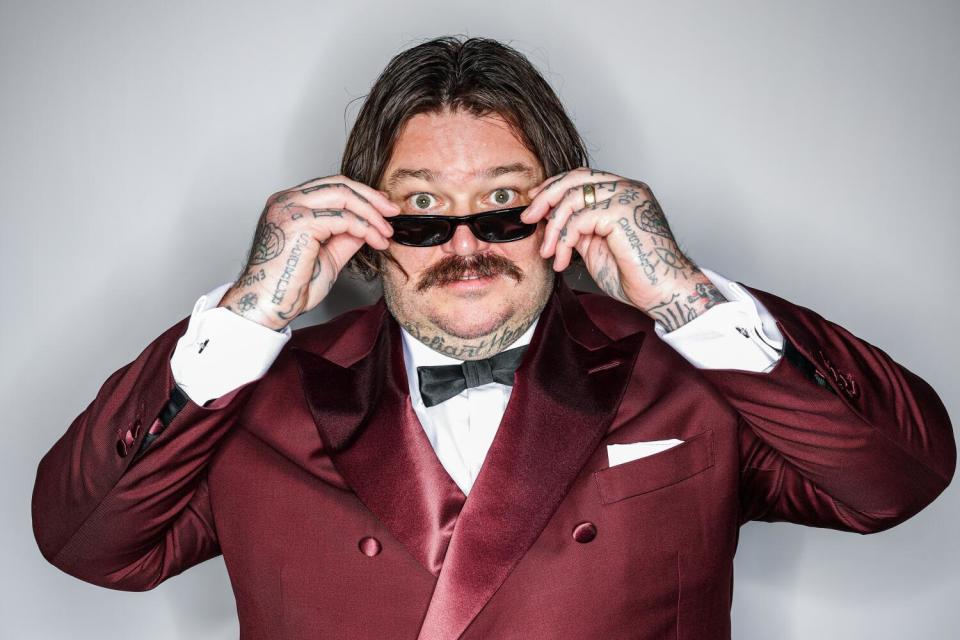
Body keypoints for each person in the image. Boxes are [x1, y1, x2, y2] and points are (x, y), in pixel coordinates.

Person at [32, 36, 955, 640]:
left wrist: (679, 290)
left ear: (564, 205)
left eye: (504, 204)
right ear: (363, 221)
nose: (466, 244)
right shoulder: (252, 399)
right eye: (424, 209)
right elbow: (87, 543)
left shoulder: (688, 377)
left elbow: (896, 480)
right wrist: (248, 312)